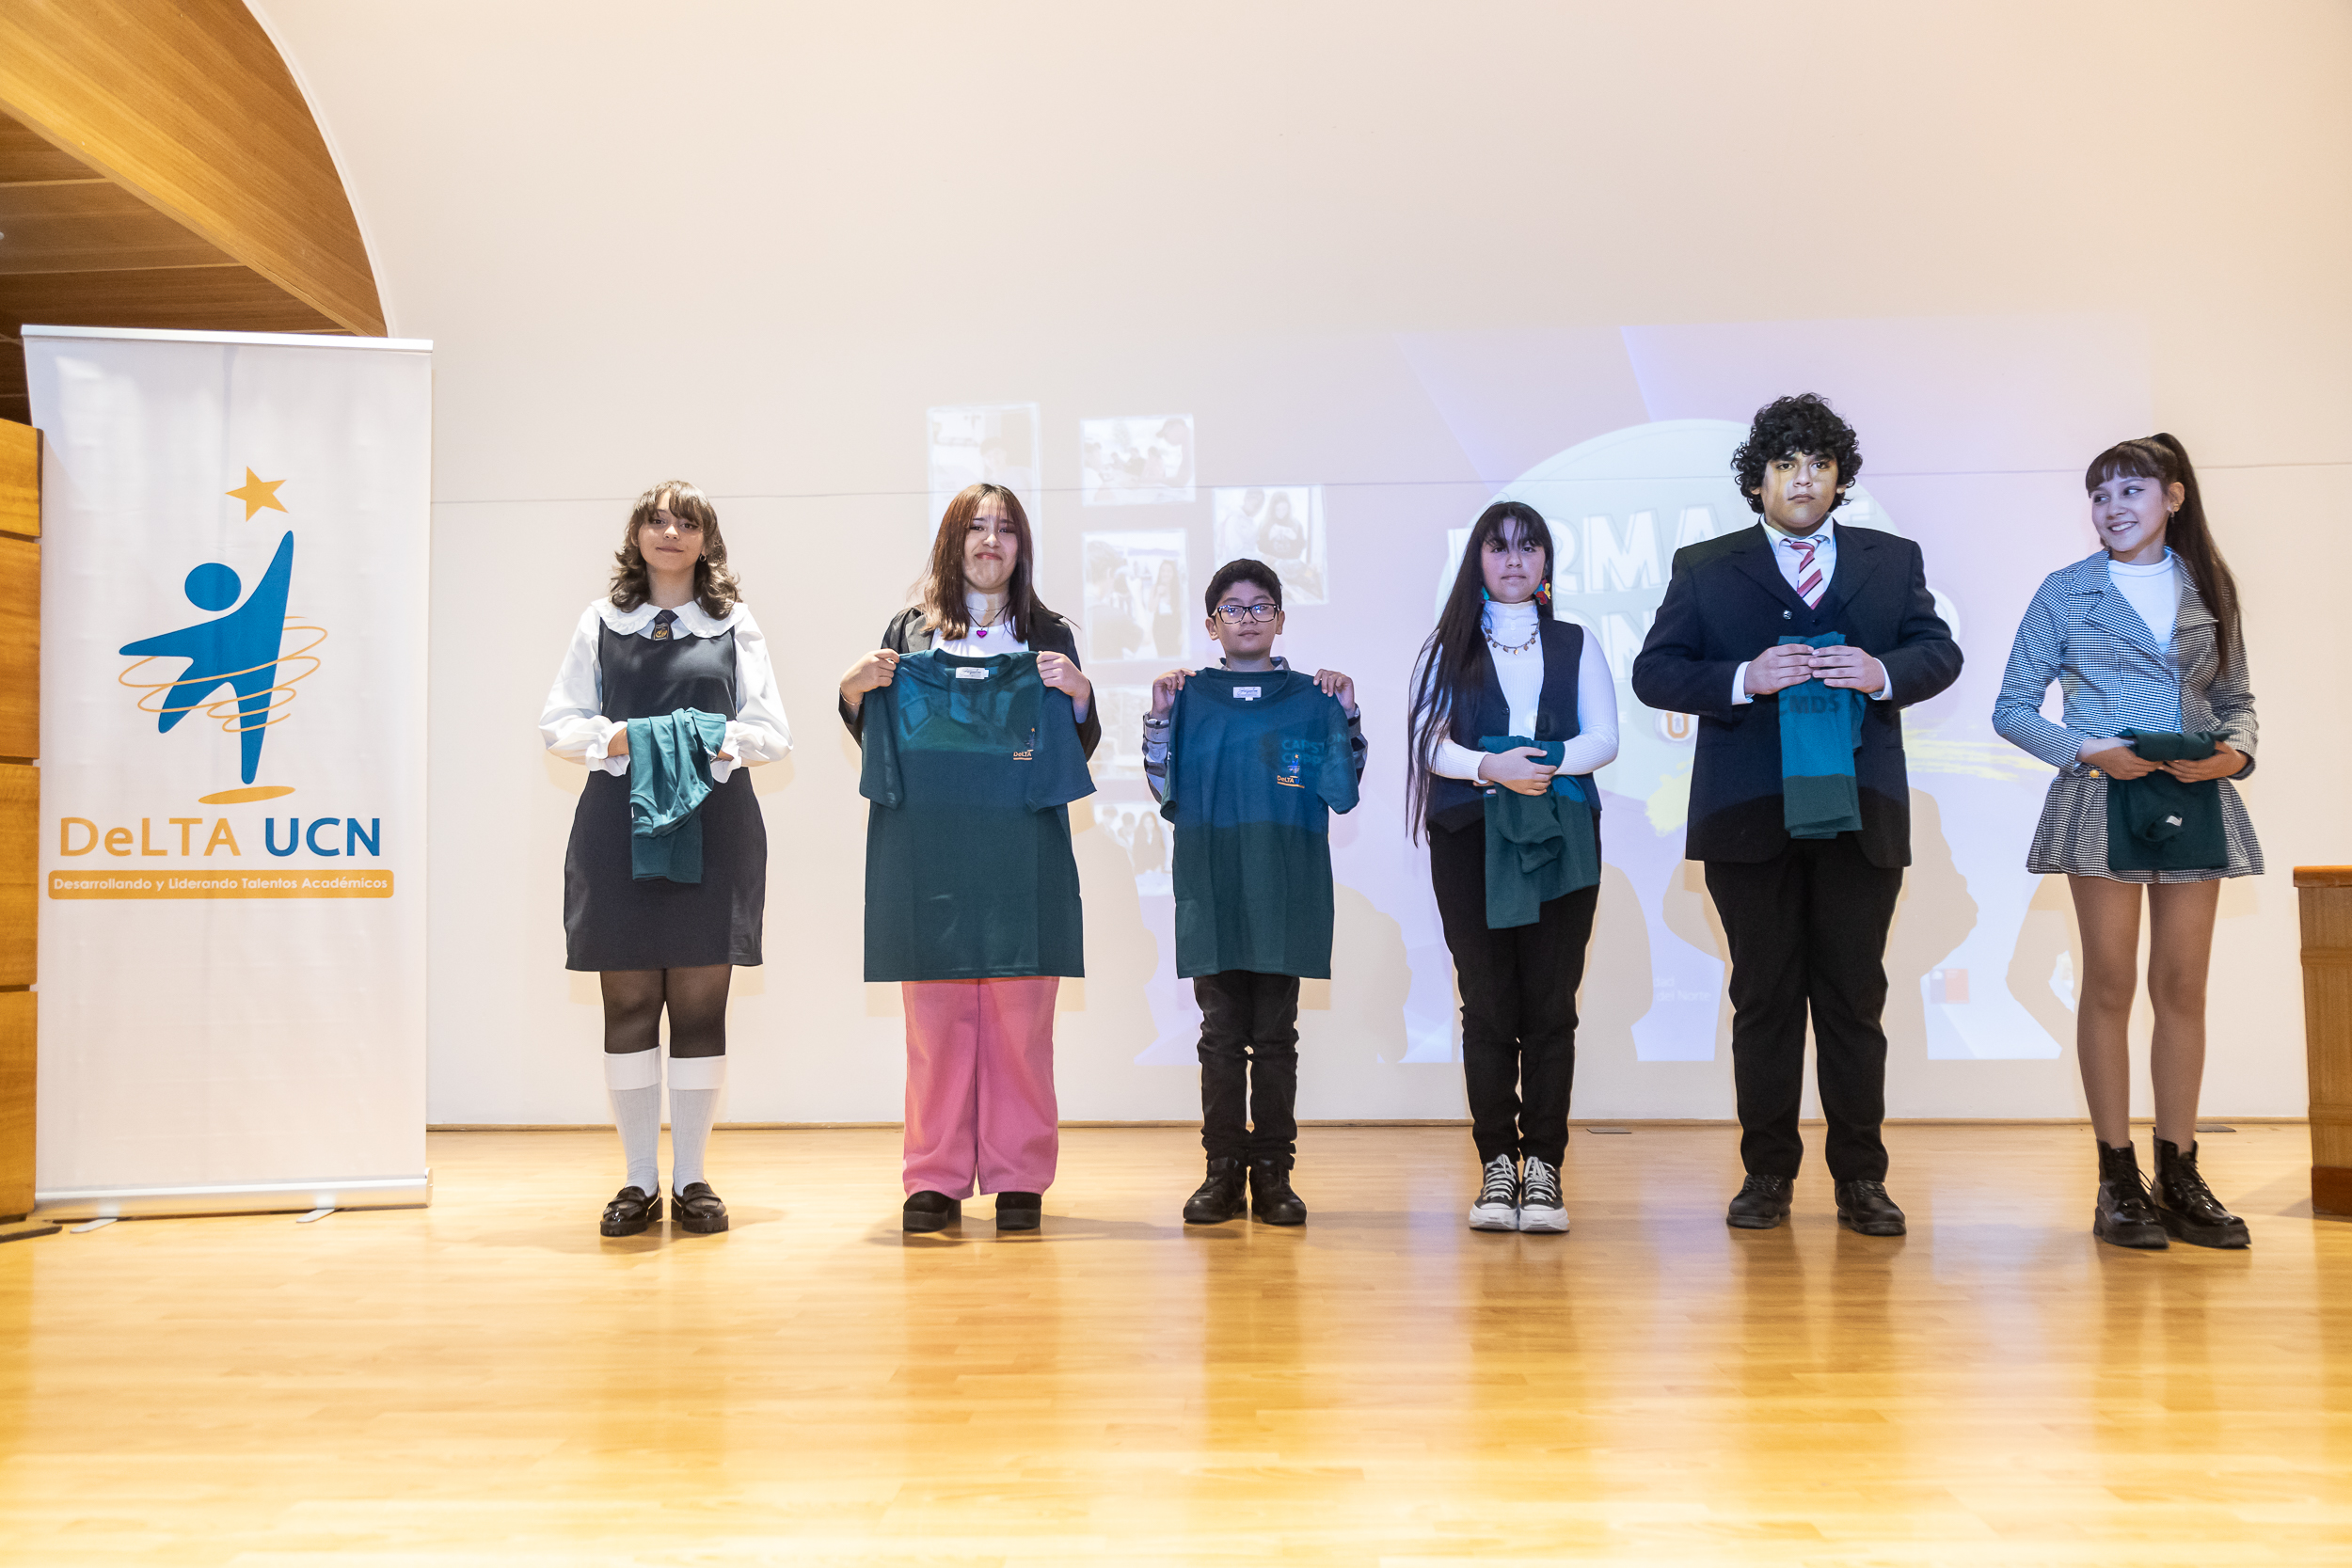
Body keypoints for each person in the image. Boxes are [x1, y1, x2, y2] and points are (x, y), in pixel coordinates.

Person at [1630, 394, 1961, 1237]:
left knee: (1853, 999)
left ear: (1841, 477)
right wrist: (1745, 677)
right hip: (1749, 817)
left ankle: (1862, 1178)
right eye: (1785, 464)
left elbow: (1940, 652)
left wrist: (1880, 672)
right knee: (1765, 999)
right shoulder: (1706, 565)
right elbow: (1654, 672)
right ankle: (1767, 1172)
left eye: (1818, 462)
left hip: (1861, 812)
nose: (1803, 478)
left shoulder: (1892, 559)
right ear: (1757, 481)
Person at [1992, 435, 2259, 1250]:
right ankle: (2117, 1179)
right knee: (2108, 983)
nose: (2113, 507)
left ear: (2173, 497)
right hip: (2101, 795)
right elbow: (2012, 707)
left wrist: (2236, 753)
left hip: (2193, 795)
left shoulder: (2208, 585)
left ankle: (2180, 1173)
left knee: (2182, 987)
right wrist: (2087, 748)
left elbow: (2237, 700)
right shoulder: (2066, 590)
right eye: (2100, 494)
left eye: (2131, 490)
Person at [838, 483, 1100, 1233]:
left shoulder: (1049, 633)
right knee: (935, 1022)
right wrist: (852, 693)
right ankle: (935, 1177)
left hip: (1024, 846)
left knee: (1022, 1021)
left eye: (1006, 529)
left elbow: (1071, 746)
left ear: (1022, 545)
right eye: (976, 527)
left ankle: (1020, 1177)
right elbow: (884, 737)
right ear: (952, 541)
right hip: (931, 851)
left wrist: (1081, 695)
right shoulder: (910, 630)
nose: (991, 541)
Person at [540, 481, 791, 1238]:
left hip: (714, 825)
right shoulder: (600, 621)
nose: (670, 532)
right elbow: (559, 722)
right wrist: (620, 737)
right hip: (617, 825)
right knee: (626, 1004)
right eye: (656, 520)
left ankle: (691, 1178)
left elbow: (771, 732)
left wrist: (706, 737)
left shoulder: (734, 623)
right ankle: (637, 1180)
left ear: (707, 539)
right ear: (636, 536)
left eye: (686, 522)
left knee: (700, 1006)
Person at [1408, 501, 1618, 1234]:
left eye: (1529, 547)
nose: (1515, 560)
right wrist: (1491, 766)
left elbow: (1605, 737)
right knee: (1489, 1004)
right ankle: (1498, 1164)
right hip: (1470, 836)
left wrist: (1542, 764)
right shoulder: (1445, 646)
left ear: (1546, 562)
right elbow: (1428, 742)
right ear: (1477, 560)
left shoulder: (1576, 642)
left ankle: (1545, 1169)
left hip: (1563, 834)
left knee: (1551, 1006)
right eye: (1499, 547)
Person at [1143, 559, 1366, 1227]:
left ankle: (1273, 1171)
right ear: (1213, 625)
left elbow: (1344, 785)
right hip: (1213, 884)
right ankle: (1221, 1170)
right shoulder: (1187, 697)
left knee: (1274, 1036)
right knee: (1218, 1035)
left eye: (1260, 605)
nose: (1247, 618)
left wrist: (1347, 714)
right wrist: (1159, 719)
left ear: (1280, 619)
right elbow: (1161, 786)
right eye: (1233, 609)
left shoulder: (1312, 697)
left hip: (1284, 886)